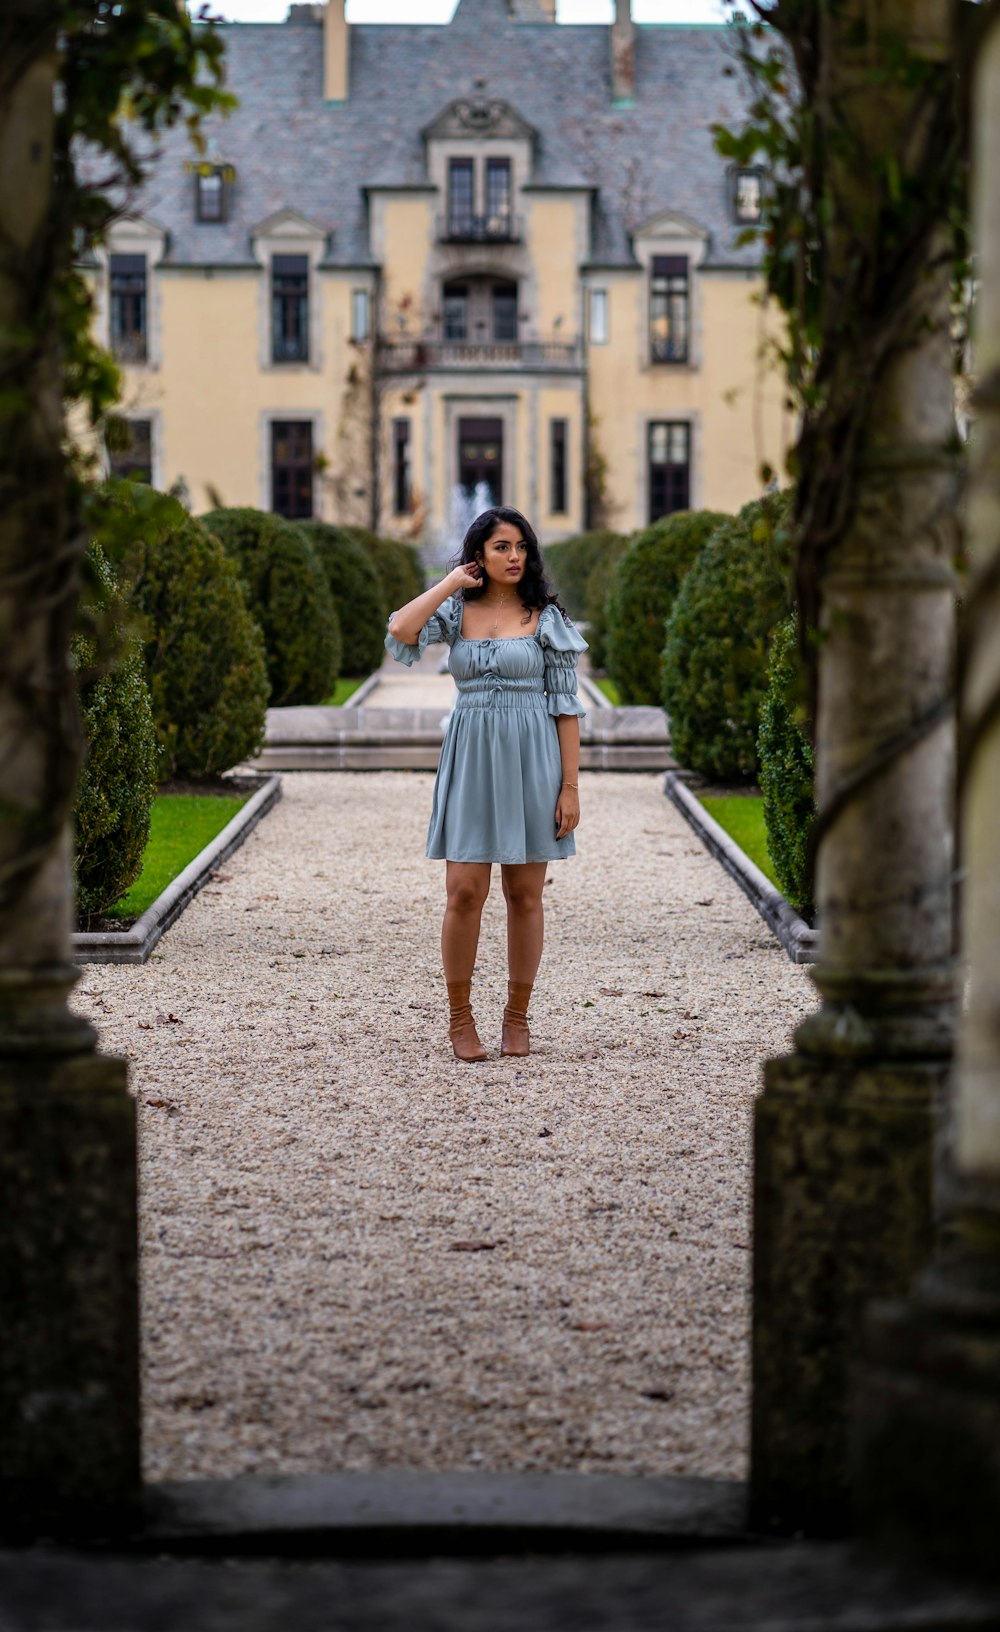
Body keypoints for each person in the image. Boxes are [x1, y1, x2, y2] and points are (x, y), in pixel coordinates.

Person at [385, 506, 587, 1063]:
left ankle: (517, 1018)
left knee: (524, 896)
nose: (514, 556)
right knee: (464, 892)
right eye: (501, 547)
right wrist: (451, 580)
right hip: (472, 758)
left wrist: (569, 787)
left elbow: (567, 710)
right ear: (479, 554)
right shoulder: (455, 611)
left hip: (533, 760)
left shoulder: (545, 618)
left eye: (521, 546)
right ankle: (460, 1018)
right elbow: (401, 631)